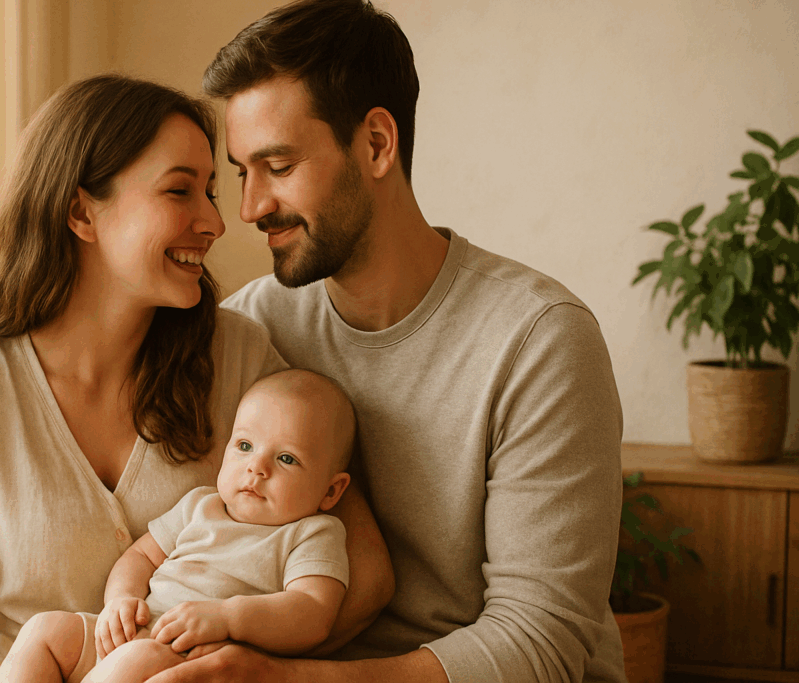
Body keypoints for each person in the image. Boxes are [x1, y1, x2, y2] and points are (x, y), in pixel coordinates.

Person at [142, 1, 627, 682]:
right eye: (242, 173)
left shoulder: (538, 340)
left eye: (277, 166)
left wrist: (288, 679)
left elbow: (542, 643)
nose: (249, 208)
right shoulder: (256, 326)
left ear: (376, 144)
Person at [0, 74, 392, 682]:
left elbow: (365, 573)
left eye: (211, 192)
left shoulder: (238, 356)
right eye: (179, 191)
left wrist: (247, 662)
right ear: (81, 213)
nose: (215, 223)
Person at [0, 369, 358, 683]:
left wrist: (230, 617)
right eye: (245, 445)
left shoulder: (312, 534)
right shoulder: (201, 504)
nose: (256, 467)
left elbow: (313, 613)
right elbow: (140, 555)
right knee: (44, 631)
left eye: (286, 458)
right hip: (135, 632)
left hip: (191, 661)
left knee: (138, 659)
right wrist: (121, 599)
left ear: (330, 490)